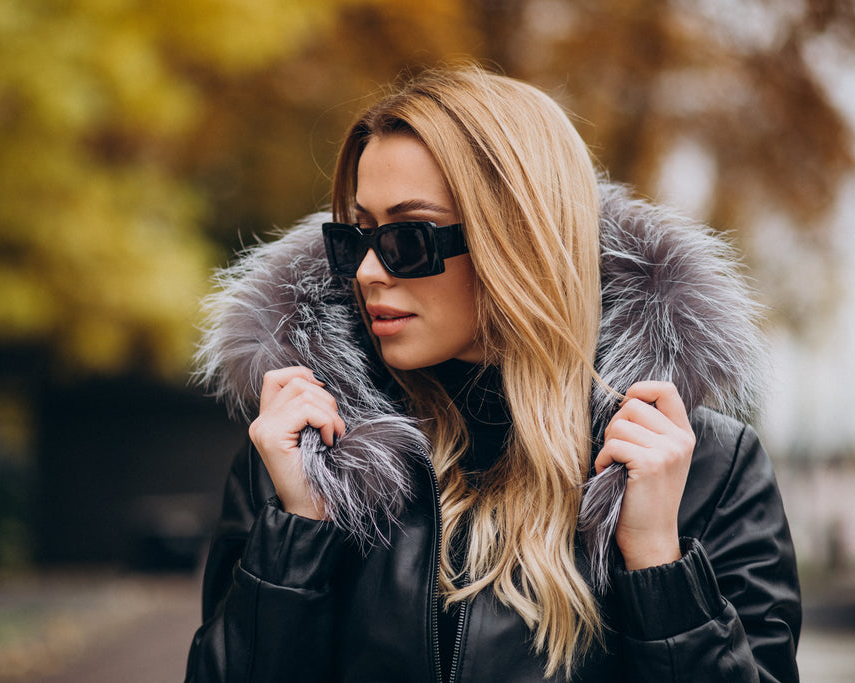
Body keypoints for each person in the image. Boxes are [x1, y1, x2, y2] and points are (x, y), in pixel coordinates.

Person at [186, 65, 800, 682]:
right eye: (358, 236)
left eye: (408, 237)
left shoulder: (702, 469)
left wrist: (657, 565)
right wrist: (297, 535)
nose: (368, 271)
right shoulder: (303, 452)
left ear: (517, 240)